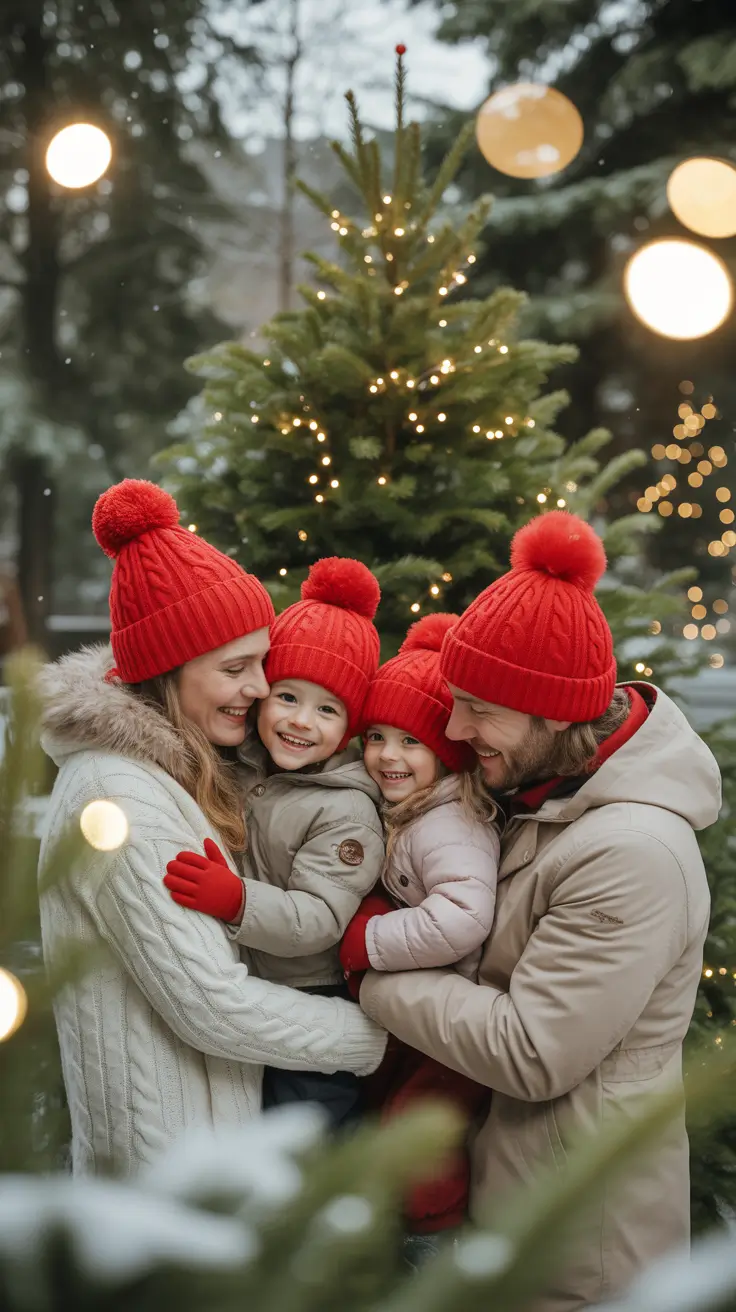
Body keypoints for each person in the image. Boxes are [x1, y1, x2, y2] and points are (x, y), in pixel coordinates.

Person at [358, 510, 720, 1311]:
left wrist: (364, 973)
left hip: (578, 1242)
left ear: (554, 712)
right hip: (509, 1205)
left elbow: (532, 1051)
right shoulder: (539, 791)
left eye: (479, 708)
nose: (454, 729)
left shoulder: (632, 853)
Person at [38, 479, 387, 1176]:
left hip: (214, 1155)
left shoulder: (183, 773)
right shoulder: (118, 795)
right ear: (170, 670)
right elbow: (211, 1004)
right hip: (162, 1166)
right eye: (236, 668)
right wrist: (380, 1034)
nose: (260, 687)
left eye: (262, 662)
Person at [164, 556, 386, 1128]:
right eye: (288, 697)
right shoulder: (237, 764)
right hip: (247, 987)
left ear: (350, 727)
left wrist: (237, 901)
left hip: (310, 994)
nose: (302, 722)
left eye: (328, 709)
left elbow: (318, 918)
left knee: (303, 1130)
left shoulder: (347, 810)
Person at [340, 612, 499, 1249]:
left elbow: (464, 917)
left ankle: (432, 1241)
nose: (386, 755)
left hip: (449, 1020)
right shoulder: (408, 808)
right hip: (416, 1009)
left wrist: (367, 941)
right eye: (375, 736)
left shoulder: (449, 823)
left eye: (409, 741)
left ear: (446, 750)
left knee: (423, 1128)